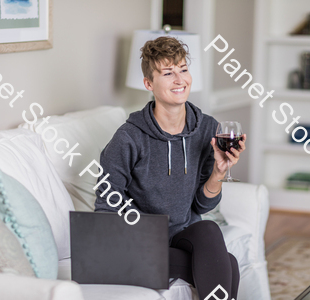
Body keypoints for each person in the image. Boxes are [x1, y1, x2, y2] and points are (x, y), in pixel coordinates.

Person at [94, 36, 246, 299]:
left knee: (208, 228)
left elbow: (202, 206)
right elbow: (106, 210)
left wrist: (219, 173)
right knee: (228, 264)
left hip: (181, 237)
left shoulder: (208, 128)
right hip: (138, 243)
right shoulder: (128, 138)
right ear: (149, 83)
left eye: (183, 70)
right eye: (168, 73)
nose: (180, 80)